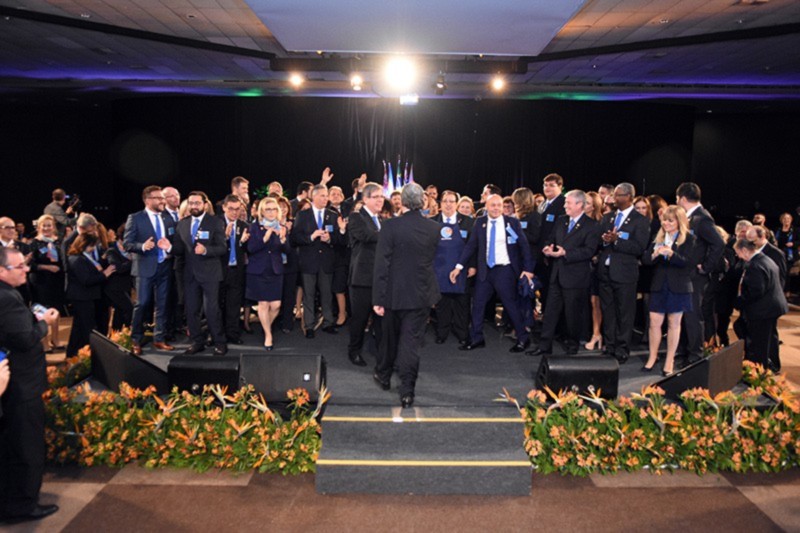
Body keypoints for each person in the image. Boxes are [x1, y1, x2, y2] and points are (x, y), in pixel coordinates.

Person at [0, 247, 59, 523]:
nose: (26, 270)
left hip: (13, 383)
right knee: (27, 446)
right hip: (22, 384)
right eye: (19, 267)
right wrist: (45, 323)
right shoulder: (7, 299)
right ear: (2, 271)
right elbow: (25, 339)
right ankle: (23, 505)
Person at [373, 183, 441, 408]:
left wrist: (378, 298)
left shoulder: (390, 226)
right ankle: (407, 391)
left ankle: (384, 376)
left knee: (390, 338)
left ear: (402, 202)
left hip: (393, 293)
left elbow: (381, 264)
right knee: (410, 343)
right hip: (421, 293)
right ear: (422, 202)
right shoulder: (434, 228)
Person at [451, 194, 535, 353]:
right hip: (485, 271)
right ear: (486, 207)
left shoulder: (512, 222)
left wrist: (528, 269)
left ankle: (523, 338)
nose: (496, 208)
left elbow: (524, 246)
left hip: (505, 270)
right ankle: (476, 338)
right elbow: (471, 246)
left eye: (499, 205)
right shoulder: (480, 222)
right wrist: (459, 266)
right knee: (478, 304)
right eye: (492, 205)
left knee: (511, 305)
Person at [527, 190, 600, 356]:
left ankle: (572, 346)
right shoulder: (561, 220)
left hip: (575, 278)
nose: (565, 205)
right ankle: (544, 346)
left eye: (568, 203)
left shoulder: (591, 225)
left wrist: (565, 253)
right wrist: (547, 248)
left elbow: (589, 251)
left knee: (572, 315)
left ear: (579, 205)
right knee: (550, 312)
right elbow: (550, 238)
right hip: (557, 274)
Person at [641, 206, 699, 376]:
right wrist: (654, 255)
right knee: (654, 322)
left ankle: (669, 360)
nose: (666, 223)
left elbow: (689, 263)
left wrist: (672, 254)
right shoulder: (658, 237)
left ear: (679, 222)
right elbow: (646, 259)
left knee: (674, 323)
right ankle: (652, 357)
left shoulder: (690, 239)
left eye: (670, 220)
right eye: (664, 220)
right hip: (659, 285)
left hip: (679, 286)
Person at [597, 183, 651, 363]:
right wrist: (605, 240)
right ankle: (609, 345)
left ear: (629, 197)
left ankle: (622, 348)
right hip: (605, 271)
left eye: (618, 195)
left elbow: (639, 247)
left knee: (625, 313)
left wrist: (617, 241)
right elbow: (599, 241)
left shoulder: (640, 221)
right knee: (608, 311)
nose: (614, 198)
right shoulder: (608, 217)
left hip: (625, 273)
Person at [675, 182, 725, 365]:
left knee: (693, 316)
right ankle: (684, 350)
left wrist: (706, 267)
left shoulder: (702, 218)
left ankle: (695, 355)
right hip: (685, 275)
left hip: (695, 277)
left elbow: (718, 243)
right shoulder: (690, 217)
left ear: (681, 198)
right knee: (683, 315)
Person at [173, 192, 228, 356]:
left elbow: (222, 248)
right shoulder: (182, 224)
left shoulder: (215, 222)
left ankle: (219, 342)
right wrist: (168, 247)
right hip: (190, 275)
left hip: (210, 274)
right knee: (191, 310)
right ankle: (197, 342)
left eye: (197, 203)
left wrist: (206, 250)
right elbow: (179, 249)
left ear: (205, 204)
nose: (194, 206)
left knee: (211, 310)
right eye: (191, 203)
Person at [124, 186, 176, 355]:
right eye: (158, 198)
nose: (162, 201)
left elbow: (173, 240)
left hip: (165, 267)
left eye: (162, 198)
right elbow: (127, 243)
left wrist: (170, 248)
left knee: (163, 304)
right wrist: (142, 246)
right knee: (142, 303)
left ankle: (159, 338)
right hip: (145, 268)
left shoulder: (167, 218)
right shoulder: (135, 218)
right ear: (147, 200)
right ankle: (136, 339)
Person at [291, 184, 343, 338]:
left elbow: (340, 239)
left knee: (327, 294)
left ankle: (328, 322)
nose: (325, 198)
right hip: (308, 261)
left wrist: (330, 239)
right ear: (313, 196)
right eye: (322, 196)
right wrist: (311, 237)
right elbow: (294, 238)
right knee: (309, 294)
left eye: (326, 196)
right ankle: (309, 326)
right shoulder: (303, 215)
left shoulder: (332, 215)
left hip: (326, 261)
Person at [733, 238, 788, 370]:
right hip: (772, 307)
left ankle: (758, 370)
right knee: (769, 339)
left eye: (738, 253)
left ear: (745, 250)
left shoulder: (755, 266)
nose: (738, 256)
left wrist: (738, 302)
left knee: (759, 343)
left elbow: (756, 291)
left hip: (763, 310)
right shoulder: (765, 259)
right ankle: (771, 365)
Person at [347, 182, 384, 366]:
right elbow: (366, 236)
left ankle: (382, 354)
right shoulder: (356, 217)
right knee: (360, 319)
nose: (380, 200)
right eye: (376, 197)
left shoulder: (381, 220)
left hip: (380, 278)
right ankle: (354, 351)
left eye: (381, 196)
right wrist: (391, 234)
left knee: (381, 320)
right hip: (362, 278)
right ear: (365, 199)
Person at [246, 198, 290, 350]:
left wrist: (283, 239)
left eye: (274, 209)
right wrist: (264, 238)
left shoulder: (282, 227)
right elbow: (251, 249)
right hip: (259, 270)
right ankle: (268, 335)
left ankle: (266, 326)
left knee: (276, 305)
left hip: (275, 270)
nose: (271, 212)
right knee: (263, 304)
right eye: (268, 209)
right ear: (262, 212)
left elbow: (288, 250)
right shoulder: (254, 227)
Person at [433, 190, 474, 345]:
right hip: (439, 269)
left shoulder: (468, 222)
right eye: (445, 201)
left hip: (462, 269)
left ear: (456, 204)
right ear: (440, 204)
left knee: (462, 304)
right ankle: (442, 332)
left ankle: (462, 333)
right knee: (442, 304)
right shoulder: (432, 222)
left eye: (451, 201)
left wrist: (472, 266)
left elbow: (473, 246)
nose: (448, 204)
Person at [65, 234, 115, 356]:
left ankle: (72, 353)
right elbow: (86, 280)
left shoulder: (82, 257)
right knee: (88, 327)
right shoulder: (77, 259)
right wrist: (105, 274)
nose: (93, 249)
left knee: (78, 327)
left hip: (85, 296)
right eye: (92, 246)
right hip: (81, 297)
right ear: (83, 244)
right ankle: (92, 354)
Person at [29, 215, 65, 350]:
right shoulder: (33, 243)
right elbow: (30, 265)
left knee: (56, 309)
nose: (46, 228)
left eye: (49, 225)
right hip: (40, 282)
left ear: (53, 227)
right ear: (39, 227)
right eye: (43, 225)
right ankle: (44, 343)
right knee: (42, 311)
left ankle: (55, 339)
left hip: (57, 280)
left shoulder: (59, 242)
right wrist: (46, 267)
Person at [218, 195, 249, 345]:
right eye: (231, 209)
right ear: (224, 207)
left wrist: (242, 242)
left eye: (238, 209)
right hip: (218, 271)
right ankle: (216, 334)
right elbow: (211, 247)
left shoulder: (244, 226)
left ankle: (232, 334)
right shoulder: (216, 223)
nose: (234, 212)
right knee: (217, 304)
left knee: (234, 304)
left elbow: (249, 250)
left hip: (236, 270)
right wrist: (224, 237)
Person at [583, 191, 604, 351]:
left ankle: (597, 334)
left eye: (588, 203)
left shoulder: (600, 223)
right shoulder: (576, 222)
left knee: (595, 301)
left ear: (594, 206)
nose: (584, 206)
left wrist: (597, 256)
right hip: (579, 267)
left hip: (595, 267)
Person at [103, 223, 133, 331]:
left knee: (120, 312)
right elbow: (118, 268)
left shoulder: (130, 250)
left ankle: (119, 334)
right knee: (128, 308)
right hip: (114, 288)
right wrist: (132, 261)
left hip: (125, 286)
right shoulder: (111, 250)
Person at [327, 186, 350, 327]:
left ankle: (344, 313)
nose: (336, 195)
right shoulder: (325, 213)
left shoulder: (349, 210)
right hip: (330, 254)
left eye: (338, 193)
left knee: (342, 286)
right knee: (333, 286)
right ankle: (337, 313)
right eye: (333, 193)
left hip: (347, 254)